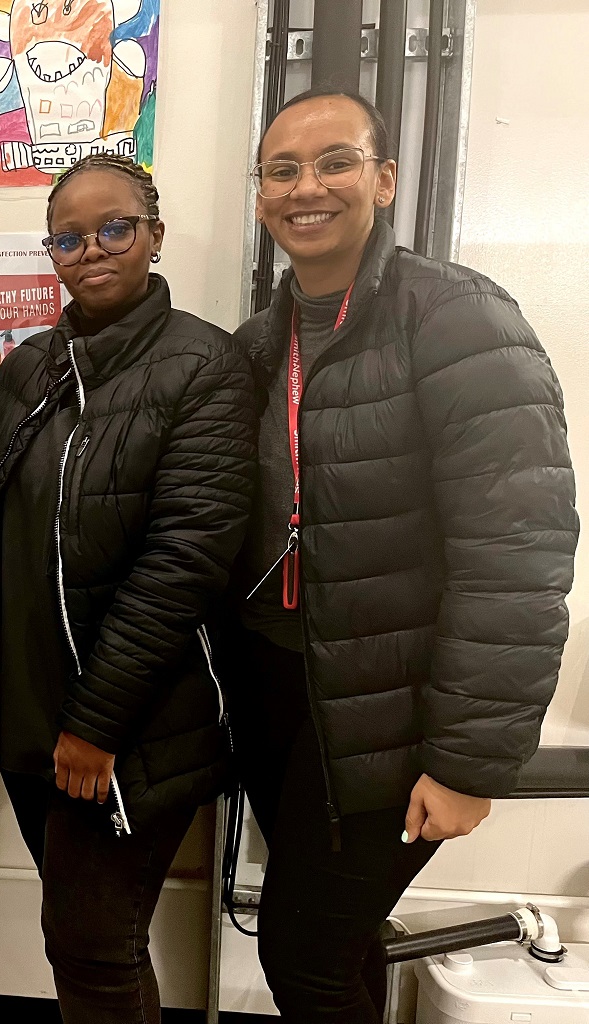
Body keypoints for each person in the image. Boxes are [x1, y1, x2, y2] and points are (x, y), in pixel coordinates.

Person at [222, 86, 577, 1024]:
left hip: (391, 713)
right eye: (282, 169)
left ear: (382, 179)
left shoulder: (455, 320)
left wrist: (468, 762)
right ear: (259, 196)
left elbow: (518, 551)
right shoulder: (259, 343)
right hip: (281, 694)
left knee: (302, 957)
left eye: (334, 161)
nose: (308, 186)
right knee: (335, 947)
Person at [0, 153, 257, 1023]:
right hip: (31, 717)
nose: (90, 249)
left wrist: (94, 726)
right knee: (91, 942)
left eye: (114, 228)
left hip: (126, 725)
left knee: (94, 946)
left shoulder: (203, 366)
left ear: (153, 236)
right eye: (68, 236)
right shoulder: (29, 367)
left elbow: (184, 563)